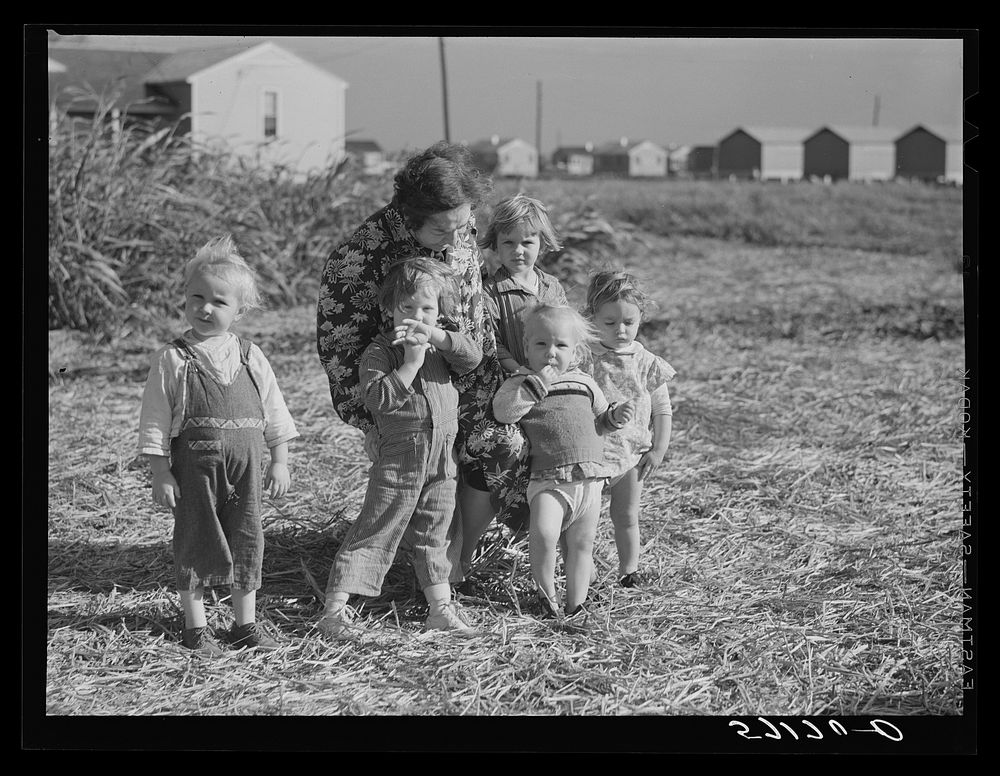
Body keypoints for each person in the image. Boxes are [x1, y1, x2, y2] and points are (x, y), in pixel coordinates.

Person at [316, 141, 531, 590]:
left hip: (473, 375)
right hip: (411, 403)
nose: (457, 239)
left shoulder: (457, 222)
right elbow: (341, 353)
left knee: (513, 445)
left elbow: (475, 308)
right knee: (471, 458)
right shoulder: (358, 258)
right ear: (410, 218)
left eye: (464, 225)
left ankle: (457, 557)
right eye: (442, 232)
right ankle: (421, 572)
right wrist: (370, 423)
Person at [137, 235, 298, 656]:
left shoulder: (250, 355)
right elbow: (154, 418)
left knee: (248, 537)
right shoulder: (172, 358)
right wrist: (160, 471)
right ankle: (197, 627)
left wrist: (279, 460)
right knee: (196, 537)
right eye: (196, 297)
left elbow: (275, 410)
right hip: (195, 468)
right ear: (185, 299)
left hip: (247, 466)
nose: (205, 308)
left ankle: (245, 624)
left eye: (219, 302)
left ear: (240, 311)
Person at [317, 258, 483, 639]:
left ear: (440, 313)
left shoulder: (442, 347)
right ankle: (335, 609)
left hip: (442, 456)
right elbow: (378, 400)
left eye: (427, 309)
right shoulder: (381, 353)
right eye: (406, 308)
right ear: (389, 310)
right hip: (401, 454)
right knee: (378, 524)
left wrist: (439, 338)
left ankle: (440, 609)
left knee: (435, 531)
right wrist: (410, 364)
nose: (416, 317)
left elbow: (473, 359)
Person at [493, 305, 635, 632]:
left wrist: (616, 417)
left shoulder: (584, 382)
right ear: (526, 347)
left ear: (575, 351)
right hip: (548, 479)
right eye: (541, 345)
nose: (551, 353)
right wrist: (535, 385)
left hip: (589, 479)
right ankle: (548, 596)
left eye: (560, 346)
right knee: (543, 535)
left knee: (582, 545)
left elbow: (602, 419)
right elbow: (503, 412)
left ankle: (576, 604)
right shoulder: (521, 382)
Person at [582, 270, 676, 588]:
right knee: (585, 520)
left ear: (640, 319)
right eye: (609, 323)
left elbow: (662, 408)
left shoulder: (646, 362)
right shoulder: (584, 356)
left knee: (626, 515)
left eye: (629, 323)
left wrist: (659, 448)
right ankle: (585, 571)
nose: (620, 330)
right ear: (591, 317)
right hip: (591, 450)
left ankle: (629, 571)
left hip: (632, 453)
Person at [479, 194, 569, 376]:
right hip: (516, 383)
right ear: (495, 245)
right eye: (508, 243)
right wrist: (520, 371)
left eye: (527, 242)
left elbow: (568, 331)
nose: (518, 251)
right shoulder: (490, 292)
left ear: (542, 245)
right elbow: (493, 343)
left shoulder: (552, 286)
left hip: (555, 379)